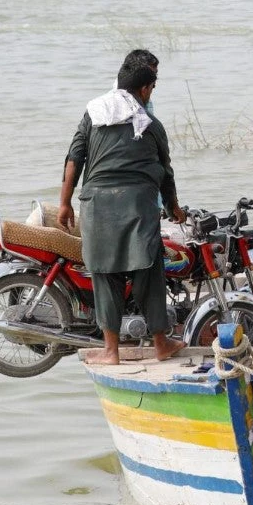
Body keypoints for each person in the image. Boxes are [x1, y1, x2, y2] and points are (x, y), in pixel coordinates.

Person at [59, 51, 184, 365]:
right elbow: (166, 173)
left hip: (97, 206)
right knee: (149, 272)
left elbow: (74, 159)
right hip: (139, 207)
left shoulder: (93, 114)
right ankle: (160, 343)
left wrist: (64, 203)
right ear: (144, 90)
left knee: (105, 276)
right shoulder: (151, 125)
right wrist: (173, 208)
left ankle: (111, 351)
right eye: (152, 89)